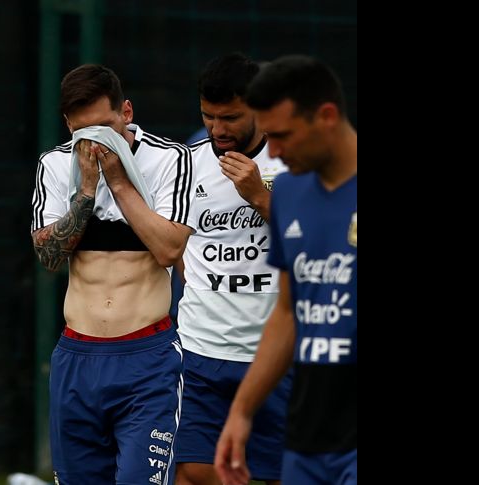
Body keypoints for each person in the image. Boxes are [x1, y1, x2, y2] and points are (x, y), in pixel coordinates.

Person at [30, 64, 196, 485]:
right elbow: (49, 259)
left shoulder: (168, 159)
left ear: (126, 111)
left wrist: (118, 182)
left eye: (107, 127)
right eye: (85, 133)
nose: (97, 143)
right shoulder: (53, 165)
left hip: (147, 358)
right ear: (68, 125)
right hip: (77, 356)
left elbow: (168, 249)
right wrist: (85, 192)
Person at [214, 54, 357, 485]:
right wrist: (241, 412)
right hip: (307, 437)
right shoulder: (290, 193)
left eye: (282, 136)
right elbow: (287, 313)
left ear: (326, 116)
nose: (272, 151)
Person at [174, 52, 290, 485]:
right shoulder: (188, 162)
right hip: (202, 352)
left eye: (230, 118)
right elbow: (175, 242)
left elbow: (326, 239)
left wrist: (260, 197)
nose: (218, 130)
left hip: (277, 352)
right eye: (208, 116)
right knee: (194, 471)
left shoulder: (296, 161)